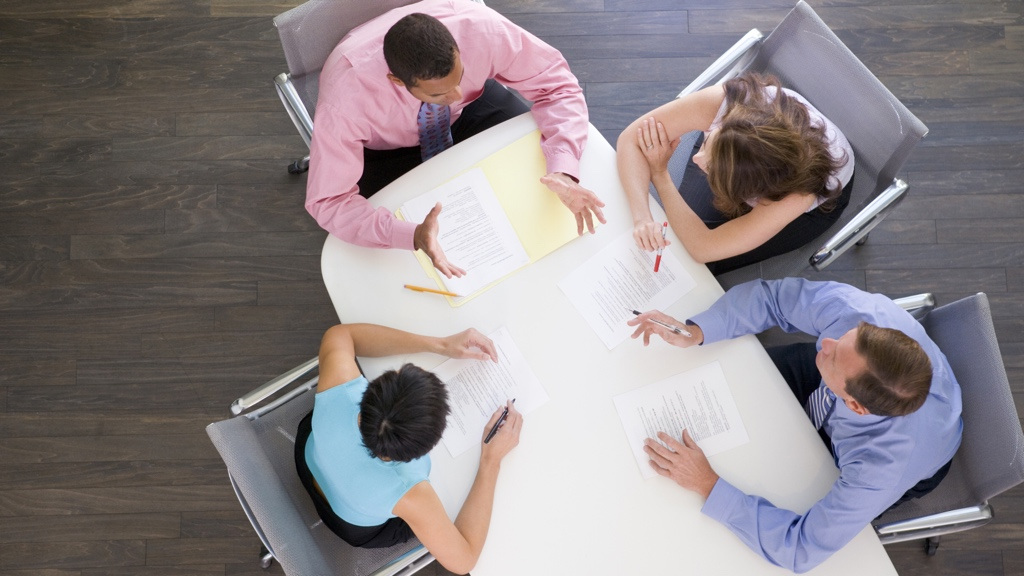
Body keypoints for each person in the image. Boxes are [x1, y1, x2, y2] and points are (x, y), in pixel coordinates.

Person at [627, 279, 962, 573]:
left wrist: (707, 483)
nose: (825, 342)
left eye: (833, 356)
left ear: (854, 406)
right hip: (842, 385)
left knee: (786, 484)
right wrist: (698, 331)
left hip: (882, 450)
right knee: (731, 377)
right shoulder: (858, 314)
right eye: (844, 337)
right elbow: (774, 299)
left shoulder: (880, 469)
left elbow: (800, 549)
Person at [307, 0, 605, 279]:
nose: (455, 95)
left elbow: (558, 86)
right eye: (439, 94)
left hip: (470, 114)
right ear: (397, 82)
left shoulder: (481, 28)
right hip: (389, 150)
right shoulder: (344, 101)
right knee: (403, 266)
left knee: (531, 196)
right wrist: (408, 234)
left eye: (459, 77)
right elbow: (329, 201)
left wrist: (563, 166)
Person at [295, 323, 522, 574]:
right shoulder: (409, 492)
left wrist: (441, 344)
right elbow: (464, 561)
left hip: (309, 459)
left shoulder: (340, 385)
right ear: (424, 448)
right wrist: (491, 461)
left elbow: (340, 334)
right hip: (350, 524)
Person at [616, 72, 855, 275]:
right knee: (680, 231)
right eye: (708, 140)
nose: (696, 158)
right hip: (751, 155)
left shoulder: (797, 194)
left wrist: (660, 174)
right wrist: (642, 217)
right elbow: (631, 138)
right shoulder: (727, 102)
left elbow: (703, 248)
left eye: (710, 167)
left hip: (814, 200)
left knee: (696, 262)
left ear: (747, 190)